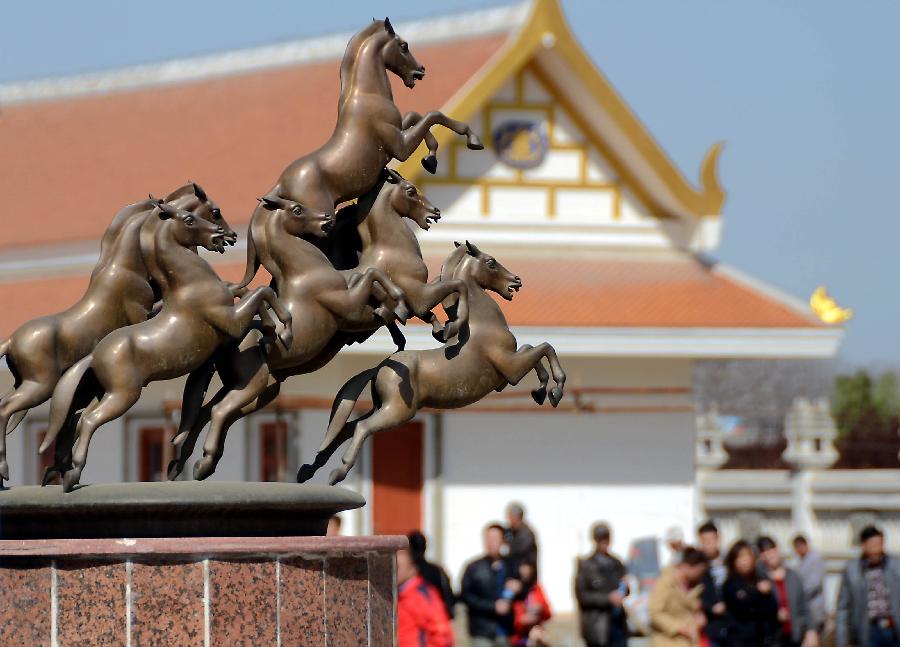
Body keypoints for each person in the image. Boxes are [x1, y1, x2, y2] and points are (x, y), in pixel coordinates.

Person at [836, 525, 900, 647]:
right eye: (872, 546)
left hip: (894, 629)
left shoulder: (896, 565)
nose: (876, 550)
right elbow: (843, 608)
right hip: (868, 631)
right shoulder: (852, 570)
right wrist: (842, 640)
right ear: (864, 545)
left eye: (879, 545)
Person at [461, 523, 519, 647]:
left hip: (505, 630)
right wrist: (492, 606)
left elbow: (522, 591)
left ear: (502, 541)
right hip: (482, 630)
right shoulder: (473, 567)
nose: (490, 543)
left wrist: (518, 588)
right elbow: (466, 596)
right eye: (488, 539)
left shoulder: (510, 565)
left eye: (494, 539)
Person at [575, 521, 629, 647]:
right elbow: (583, 596)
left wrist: (625, 589)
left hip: (618, 624)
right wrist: (608, 599)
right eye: (601, 539)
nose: (605, 542)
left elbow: (624, 586)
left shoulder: (616, 563)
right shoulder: (586, 566)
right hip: (598, 627)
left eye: (607, 538)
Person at [757, 536, 818, 647]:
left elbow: (804, 605)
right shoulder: (759, 579)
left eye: (771, 550)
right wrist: (774, 613)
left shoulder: (793, 576)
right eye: (764, 552)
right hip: (771, 638)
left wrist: (811, 630)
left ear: (777, 550)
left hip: (794, 636)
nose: (769, 555)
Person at [721, 539, 779, 647]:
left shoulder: (761, 579)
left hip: (763, 639)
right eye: (740, 557)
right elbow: (742, 607)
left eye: (747, 556)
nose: (745, 561)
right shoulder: (730, 585)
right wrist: (758, 592)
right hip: (740, 641)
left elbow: (773, 607)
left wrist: (766, 594)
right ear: (733, 561)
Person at [648, 546, 709, 647]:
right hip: (666, 642)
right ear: (687, 566)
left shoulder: (696, 586)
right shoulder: (665, 583)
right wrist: (679, 627)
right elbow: (654, 613)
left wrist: (699, 617)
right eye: (699, 571)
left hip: (689, 642)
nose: (700, 575)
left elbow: (692, 610)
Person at [397, 548, 454, 647]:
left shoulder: (422, 594)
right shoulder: (399, 594)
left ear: (412, 568)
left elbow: (442, 635)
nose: (393, 572)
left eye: (398, 568)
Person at [408, 530, 456, 619]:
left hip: (415, 618)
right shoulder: (437, 570)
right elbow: (448, 596)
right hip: (435, 618)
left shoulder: (405, 572)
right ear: (425, 547)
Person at [696, 521, 727, 647]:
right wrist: (709, 607)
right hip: (709, 627)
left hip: (731, 624)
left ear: (718, 538)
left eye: (711, 539)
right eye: (705, 541)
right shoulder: (697, 566)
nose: (709, 544)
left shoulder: (729, 561)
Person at [510, 559, 552, 647]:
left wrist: (541, 609)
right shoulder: (512, 591)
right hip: (519, 637)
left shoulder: (536, 589)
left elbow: (548, 613)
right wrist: (521, 620)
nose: (525, 577)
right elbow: (508, 616)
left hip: (536, 632)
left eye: (528, 574)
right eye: (523, 574)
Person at [792, 534, 827, 635]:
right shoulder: (800, 560)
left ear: (805, 545)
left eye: (800, 546)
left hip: (814, 607)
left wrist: (798, 595)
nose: (798, 550)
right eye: (796, 547)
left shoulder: (815, 558)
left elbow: (814, 584)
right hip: (804, 610)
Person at [506, 502, 538, 569]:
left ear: (517, 517)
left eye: (510, 516)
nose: (508, 519)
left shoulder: (527, 533)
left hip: (524, 568)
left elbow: (517, 551)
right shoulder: (509, 531)